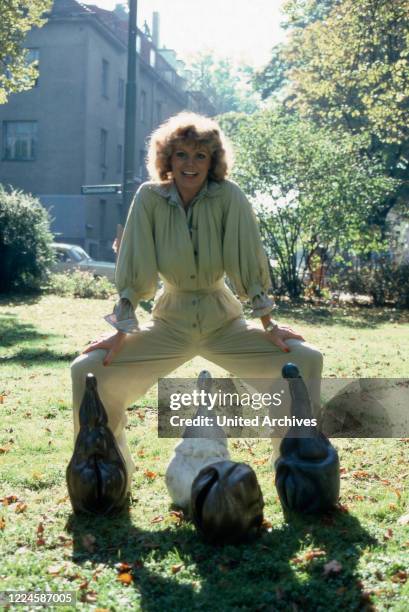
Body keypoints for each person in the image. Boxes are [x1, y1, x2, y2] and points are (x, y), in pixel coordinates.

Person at [70, 112, 323, 492]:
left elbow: (246, 263)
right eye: (182, 155)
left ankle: (298, 472)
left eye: (200, 156)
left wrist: (269, 325)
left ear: (213, 161)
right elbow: (135, 270)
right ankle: (106, 475)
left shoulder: (229, 196)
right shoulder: (149, 199)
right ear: (167, 160)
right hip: (170, 323)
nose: (191, 164)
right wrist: (120, 333)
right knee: (86, 370)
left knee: (305, 360)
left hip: (224, 323)